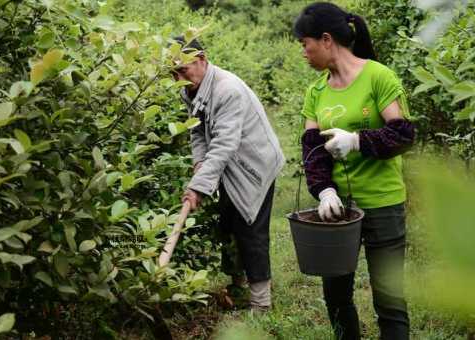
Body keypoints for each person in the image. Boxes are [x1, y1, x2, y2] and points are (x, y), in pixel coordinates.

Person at [293, 2, 415, 339]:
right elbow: (313, 150)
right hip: (338, 213)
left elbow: (404, 135)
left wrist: (358, 140)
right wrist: (325, 191)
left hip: (383, 204)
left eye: (305, 43)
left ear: (326, 39)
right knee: (336, 298)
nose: (303, 52)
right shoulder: (315, 92)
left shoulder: (378, 76)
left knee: (390, 299)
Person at [172, 37, 285, 310]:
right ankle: (239, 284)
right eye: (173, 74)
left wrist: (198, 186)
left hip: (254, 163)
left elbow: (224, 144)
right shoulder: (189, 89)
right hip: (228, 163)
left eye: (183, 71)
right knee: (229, 222)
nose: (179, 79)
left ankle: (261, 304)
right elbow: (197, 131)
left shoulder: (227, 90)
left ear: (201, 59)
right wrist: (200, 163)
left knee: (250, 228)